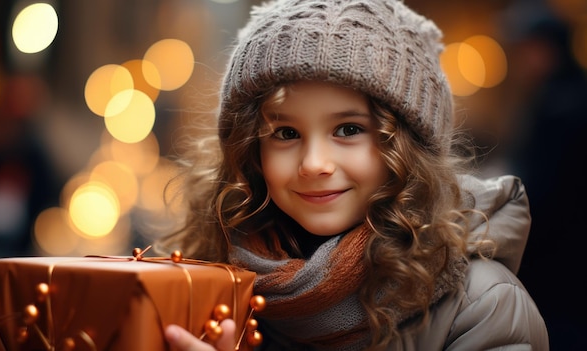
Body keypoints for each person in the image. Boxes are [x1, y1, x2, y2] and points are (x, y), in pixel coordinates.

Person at [155, 0, 549, 350]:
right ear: (249, 152)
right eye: (286, 133)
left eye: (348, 130)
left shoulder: (483, 306)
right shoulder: (214, 288)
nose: (313, 163)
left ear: (408, 148)